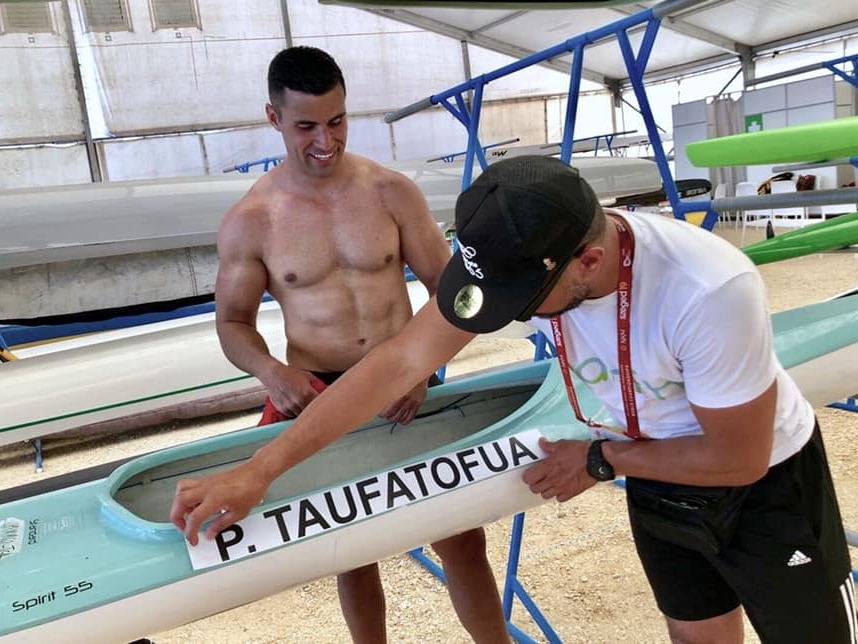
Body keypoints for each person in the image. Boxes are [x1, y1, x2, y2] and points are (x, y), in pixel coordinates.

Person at [172, 155, 856, 643]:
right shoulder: (531, 249)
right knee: (694, 631)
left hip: (764, 485)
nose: (506, 314)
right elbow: (398, 360)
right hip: (648, 465)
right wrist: (263, 468)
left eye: (521, 303)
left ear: (587, 262)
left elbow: (734, 458)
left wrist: (599, 462)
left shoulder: (708, 289)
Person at [204, 46, 509, 643]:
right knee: (353, 547)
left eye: (337, 120)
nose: (326, 141)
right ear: (273, 118)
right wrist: (272, 372)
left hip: (408, 385)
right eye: (307, 127)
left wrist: (422, 366)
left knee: (460, 536)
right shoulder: (253, 220)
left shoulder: (391, 193)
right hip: (318, 390)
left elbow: (452, 294)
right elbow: (232, 324)